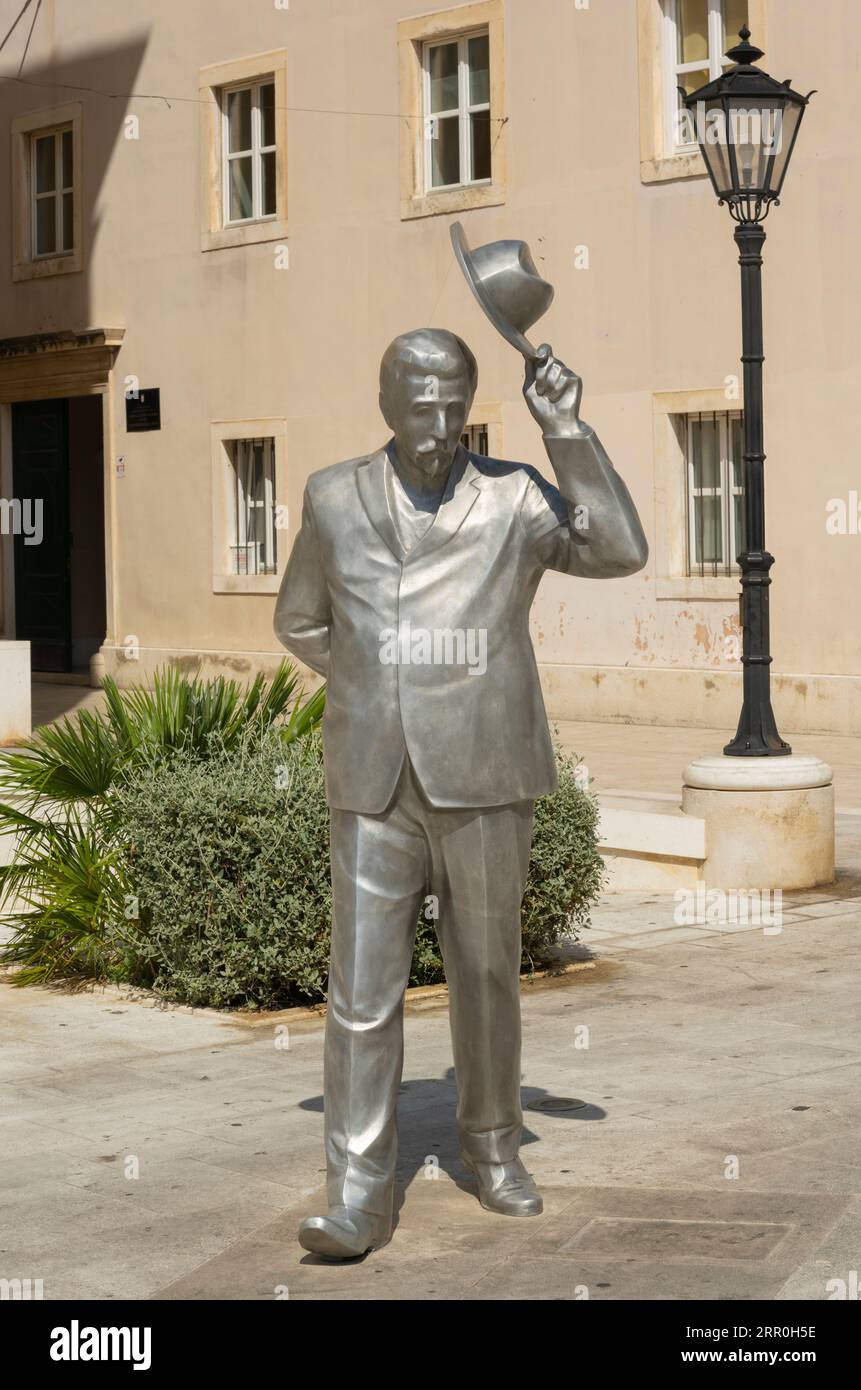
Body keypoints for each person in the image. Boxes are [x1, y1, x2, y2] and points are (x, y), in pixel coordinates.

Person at [274, 328, 648, 1259]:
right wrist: (375, 683)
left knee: (485, 971)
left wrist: (565, 429)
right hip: (373, 777)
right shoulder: (331, 496)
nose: (437, 424)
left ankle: (490, 1148)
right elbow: (299, 619)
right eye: (419, 403)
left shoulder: (516, 497)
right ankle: (357, 1192)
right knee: (362, 990)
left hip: (485, 768)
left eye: (453, 405)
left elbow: (621, 550)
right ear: (386, 402)